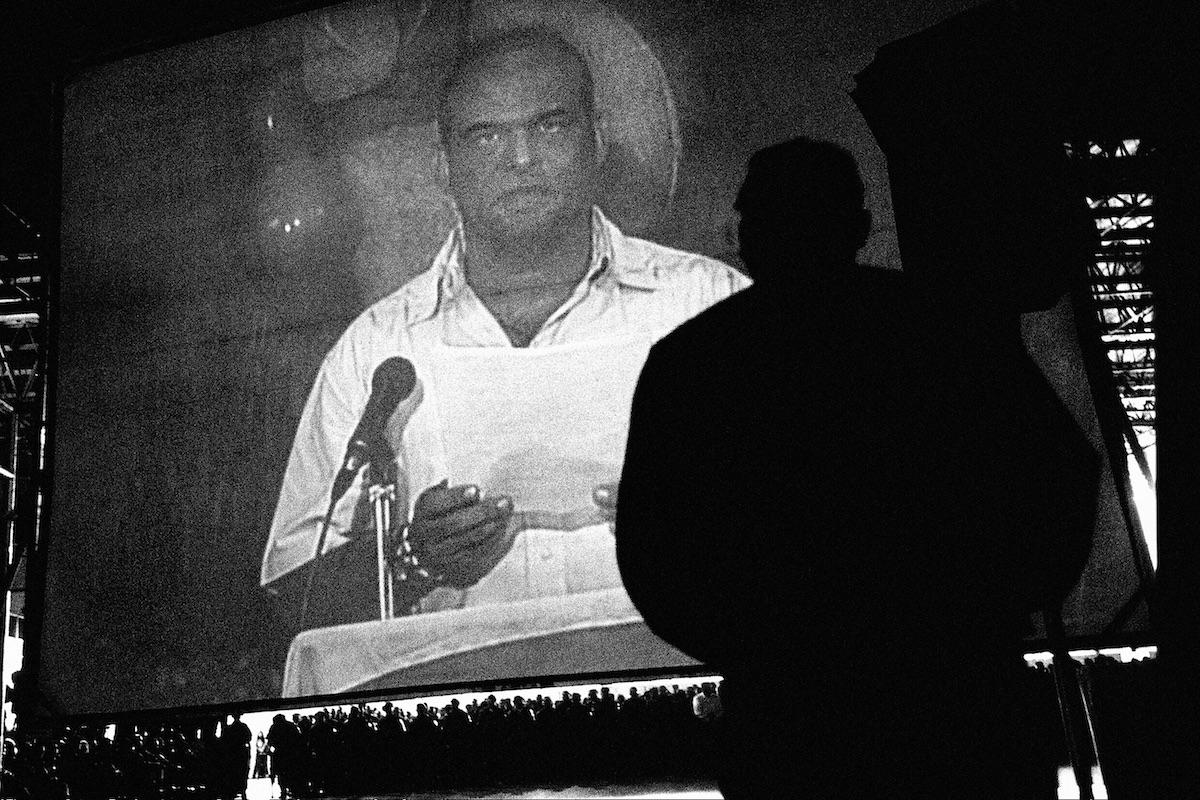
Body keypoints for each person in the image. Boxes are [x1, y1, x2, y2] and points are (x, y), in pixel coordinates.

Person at [615, 137, 1098, 798]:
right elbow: (1057, 476)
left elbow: (656, 554)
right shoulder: (952, 331)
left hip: (795, 724)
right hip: (964, 706)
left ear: (745, 234)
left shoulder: (691, 364)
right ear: (860, 228)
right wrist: (985, 614)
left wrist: (765, 651)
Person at [262, 27, 747, 634]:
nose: (520, 159)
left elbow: (838, 505)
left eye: (549, 126)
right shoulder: (378, 350)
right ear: (444, 167)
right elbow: (293, 595)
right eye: (485, 135)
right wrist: (413, 560)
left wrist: (707, 517)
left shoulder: (709, 304)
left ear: (596, 143)